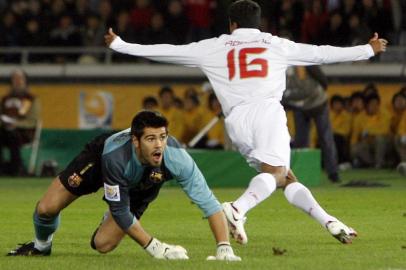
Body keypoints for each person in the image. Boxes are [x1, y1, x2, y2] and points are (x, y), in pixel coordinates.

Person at [104, 0, 387, 245]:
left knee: (283, 176)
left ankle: (329, 222)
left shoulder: (213, 47)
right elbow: (322, 52)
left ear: (232, 24)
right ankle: (237, 209)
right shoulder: (277, 45)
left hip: (236, 121)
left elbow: (165, 51)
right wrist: (367, 50)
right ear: (259, 23)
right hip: (267, 113)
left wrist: (121, 44)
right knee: (276, 173)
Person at [7, 111, 240, 261]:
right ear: (136, 141)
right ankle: (41, 246)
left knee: (103, 244)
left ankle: (119, 201)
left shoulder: (177, 158)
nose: (159, 145)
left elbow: (209, 203)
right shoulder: (115, 157)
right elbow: (120, 212)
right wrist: (157, 248)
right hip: (98, 162)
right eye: (151, 139)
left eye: (163, 137)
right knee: (46, 208)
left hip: (143, 184)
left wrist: (224, 247)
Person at [282, 65, 340, 182]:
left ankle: (333, 172)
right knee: (301, 140)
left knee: (325, 137)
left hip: (318, 104)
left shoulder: (305, 62)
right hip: (298, 106)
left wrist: (314, 94)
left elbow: (324, 81)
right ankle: (301, 173)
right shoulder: (280, 69)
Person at [0, 69, 40, 176]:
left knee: (12, 135)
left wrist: (16, 124)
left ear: (25, 81)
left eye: (20, 79)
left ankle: (16, 167)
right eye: (15, 79)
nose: (17, 82)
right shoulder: (5, 99)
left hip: (24, 132)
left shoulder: (31, 99)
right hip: (5, 129)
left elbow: (33, 120)